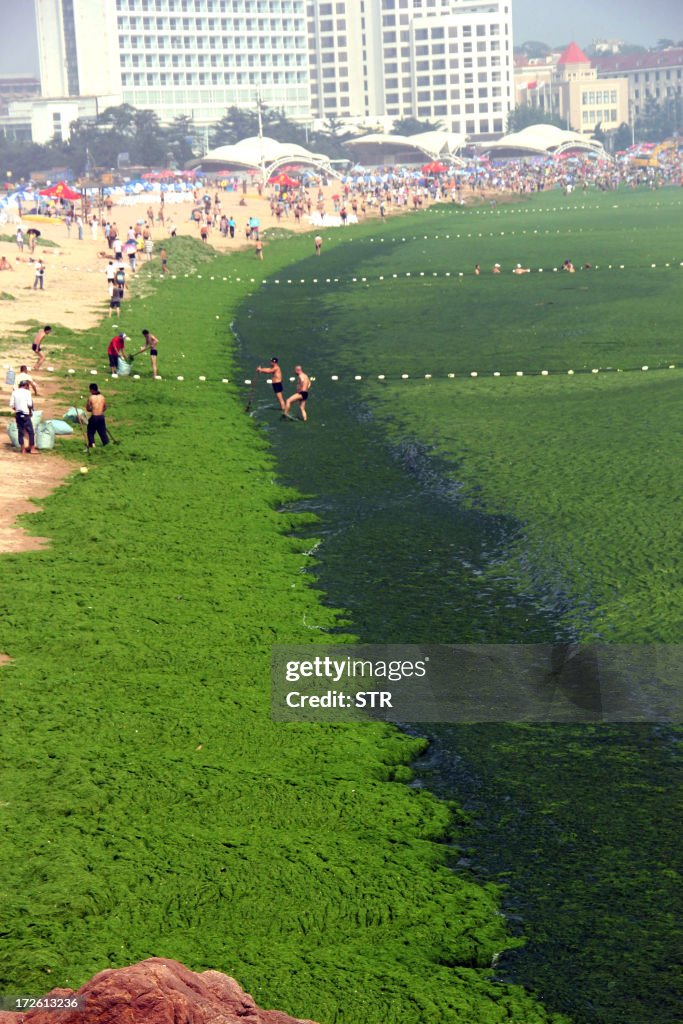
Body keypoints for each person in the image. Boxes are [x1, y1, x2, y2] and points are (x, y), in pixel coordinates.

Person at [9, 379, 37, 454]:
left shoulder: (14, 392)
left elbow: (11, 405)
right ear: (25, 386)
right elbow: (30, 404)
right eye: (28, 386)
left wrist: (17, 409)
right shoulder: (27, 392)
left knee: (20, 432)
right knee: (30, 431)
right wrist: (30, 412)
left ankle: (23, 449)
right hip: (25, 414)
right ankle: (32, 449)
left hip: (18, 414)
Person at [86, 383, 109, 448]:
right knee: (102, 431)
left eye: (90, 390)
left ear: (92, 390)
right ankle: (106, 443)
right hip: (101, 417)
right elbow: (105, 407)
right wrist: (100, 410)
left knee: (90, 431)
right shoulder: (102, 397)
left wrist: (92, 410)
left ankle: (92, 444)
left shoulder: (91, 397)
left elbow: (87, 408)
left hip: (94, 417)